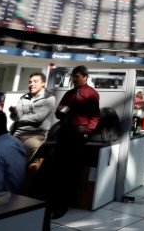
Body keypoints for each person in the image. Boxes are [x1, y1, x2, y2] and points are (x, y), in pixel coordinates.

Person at [49, 65, 100, 219]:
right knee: (59, 168)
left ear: (85, 76)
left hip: (78, 132)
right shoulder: (69, 93)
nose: (74, 79)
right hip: (65, 131)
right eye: (73, 76)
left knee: (70, 169)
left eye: (77, 76)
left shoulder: (91, 94)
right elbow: (59, 112)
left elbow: (95, 116)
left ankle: (64, 204)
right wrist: (61, 111)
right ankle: (55, 201)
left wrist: (87, 132)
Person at [9, 72, 56, 162]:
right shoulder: (23, 97)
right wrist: (14, 114)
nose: (31, 84)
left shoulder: (49, 98)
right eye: (30, 82)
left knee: (19, 156)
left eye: (35, 81)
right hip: (18, 134)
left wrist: (20, 118)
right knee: (3, 152)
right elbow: (15, 118)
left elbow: (38, 118)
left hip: (36, 135)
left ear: (43, 84)